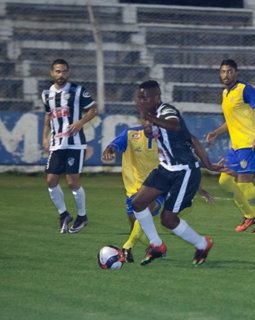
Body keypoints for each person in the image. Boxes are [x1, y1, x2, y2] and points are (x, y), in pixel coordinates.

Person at [130, 80, 224, 266]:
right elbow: (191, 139)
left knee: (167, 220)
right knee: (137, 202)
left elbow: (174, 126)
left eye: (145, 98)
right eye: (140, 98)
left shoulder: (167, 111)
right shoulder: (149, 114)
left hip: (184, 172)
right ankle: (156, 245)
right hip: (165, 169)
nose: (142, 101)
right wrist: (146, 118)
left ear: (157, 97)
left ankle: (203, 244)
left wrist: (207, 166)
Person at [101, 112, 216, 263]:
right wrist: (108, 151)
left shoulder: (166, 138)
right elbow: (113, 146)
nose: (148, 124)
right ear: (141, 120)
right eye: (145, 119)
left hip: (160, 185)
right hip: (134, 188)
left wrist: (197, 187)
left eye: (151, 121)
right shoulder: (131, 134)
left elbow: (182, 166)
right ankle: (156, 247)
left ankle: (128, 247)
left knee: (156, 216)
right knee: (138, 225)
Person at [206, 59, 255, 234]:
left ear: (236, 73)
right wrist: (215, 133)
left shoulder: (244, 89)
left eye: (229, 71)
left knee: (244, 184)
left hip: (250, 143)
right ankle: (249, 216)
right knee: (225, 180)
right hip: (236, 146)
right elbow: (231, 122)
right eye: (222, 71)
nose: (225, 75)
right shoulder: (225, 93)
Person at [42, 59, 98, 234]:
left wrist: (80, 122)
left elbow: (94, 109)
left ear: (68, 72)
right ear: (52, 73)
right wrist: (44, 136)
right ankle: (64, 214)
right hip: (56, 144)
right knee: (51, 181)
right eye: (58, 71)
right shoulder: (46, 94)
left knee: (72, 183)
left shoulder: (77, 90)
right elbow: (48, 116)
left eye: (64, 71)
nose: (61, 75)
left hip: (75, 143)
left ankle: (82, 216)